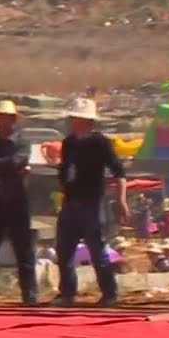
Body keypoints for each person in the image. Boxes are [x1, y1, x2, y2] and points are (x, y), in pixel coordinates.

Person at [52, 98, 127, 307]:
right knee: (64, 249)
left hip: (92, 202)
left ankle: (109, 293)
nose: (73, 121)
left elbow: (118, 172)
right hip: (71, 201)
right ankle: (67, 292)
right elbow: (65, 171)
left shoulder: (101, 143)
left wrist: (121, 201)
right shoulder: (69, 143)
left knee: (97, 250)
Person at [0, 100, 39, 307]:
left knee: (24, 250)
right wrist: (9, 168)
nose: (5, 122)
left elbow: (16, 162)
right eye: (1, 118)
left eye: (8, 118)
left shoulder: (22, 142)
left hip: (17, 201)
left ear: (13, 120)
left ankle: (29, 294)